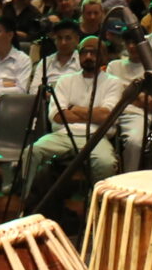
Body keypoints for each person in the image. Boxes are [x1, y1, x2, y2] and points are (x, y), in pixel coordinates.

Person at [26, 34, 124, 230]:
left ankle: (97, 216)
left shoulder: (113, 82)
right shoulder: (64, 81)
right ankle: (28, 208)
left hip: (96, 137)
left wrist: (75, 109)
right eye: (84, 52)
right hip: (62, 135)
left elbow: (106, 116)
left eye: (93, 52)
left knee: (106, 163)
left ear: (103, 56)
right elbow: (57, 116)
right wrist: (90, 113)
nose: (88, 56)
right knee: (32, 151)